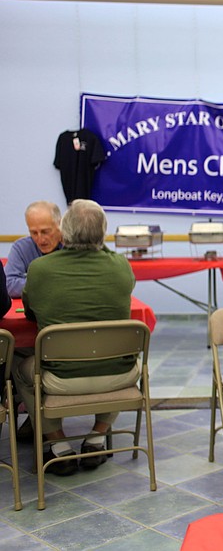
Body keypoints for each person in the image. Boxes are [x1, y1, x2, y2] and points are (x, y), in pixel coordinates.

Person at [13, 199, 138, 477]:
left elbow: (31, 313)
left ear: (64, 232)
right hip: (119, 376)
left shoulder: (41, 270)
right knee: (128, 358)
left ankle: (58, 445)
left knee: (20, 368)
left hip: (59, 377)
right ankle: (96, 438)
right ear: (103, 234)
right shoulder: (121, 267)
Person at [5, 201, 63, 298]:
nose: (40, 239)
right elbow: (9, 284)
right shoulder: (21, 247)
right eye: (34, 233)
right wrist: (50, 284)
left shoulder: (73, 245)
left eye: (45, 232)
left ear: (59, 225)